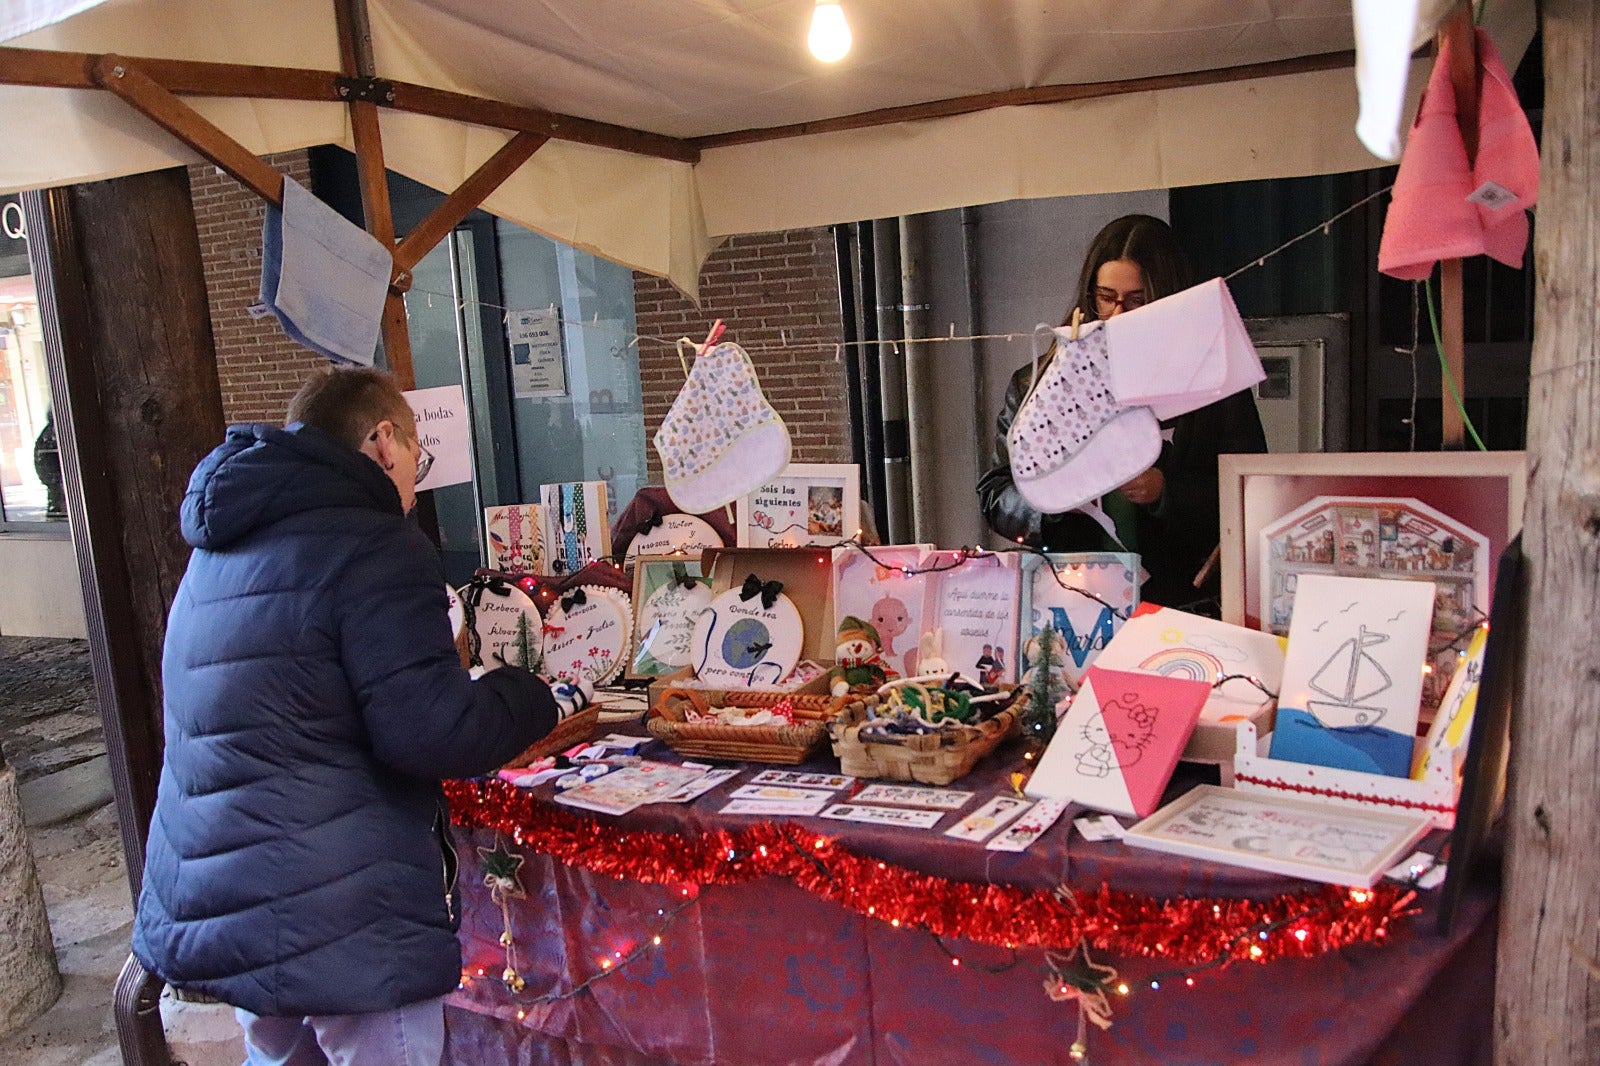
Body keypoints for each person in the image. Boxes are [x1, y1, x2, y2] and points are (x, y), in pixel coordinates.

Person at [131, 366, 583, 1066]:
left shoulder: (218, 547)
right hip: (343, 912)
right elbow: (432, 731)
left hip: (226, 894)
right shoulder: (375, 544)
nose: (414, 483)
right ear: (381, 442)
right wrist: (529, 694)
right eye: (415, 458)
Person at [977, 215, 1266, 611]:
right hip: (1068, 601)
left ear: (1167, 298)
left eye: (1136, 300)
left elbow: (1251, 493)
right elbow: (995, 495)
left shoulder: (1212, 382)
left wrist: (1166, 491)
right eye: (1105, 297)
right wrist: (1053, 500)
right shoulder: (1037, 382)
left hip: (1182, 602)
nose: (1117, 315)